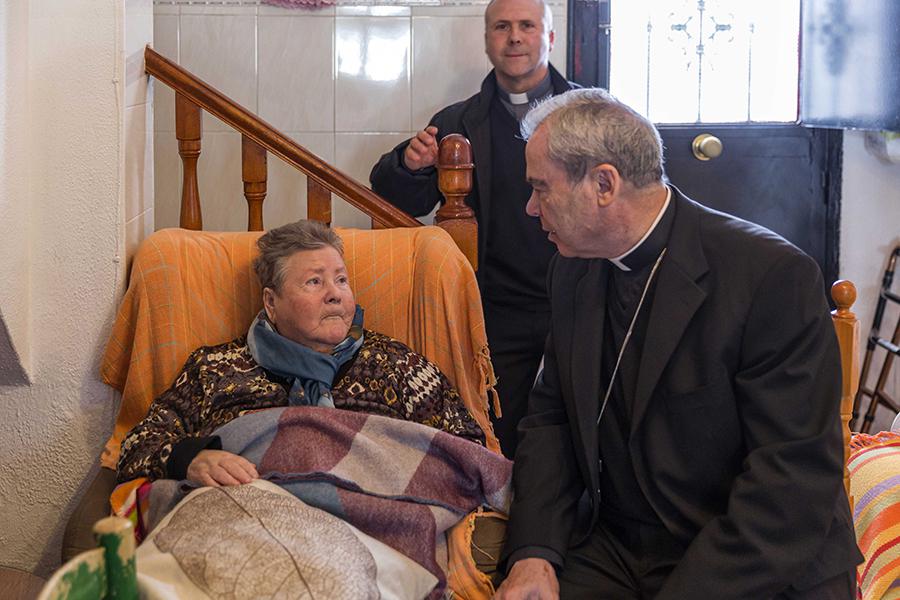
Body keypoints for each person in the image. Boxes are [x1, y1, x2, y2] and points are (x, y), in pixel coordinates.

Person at [495, 89, 863, 599]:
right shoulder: (573, 269)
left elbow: (790, 483)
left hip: (750, 557)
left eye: (541, 188)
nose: (531, 207)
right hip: (621, 549)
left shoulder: (772, 276)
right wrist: (533, 552)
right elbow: (552, 418)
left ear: (603, 184)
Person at [117, 219, 485, 486]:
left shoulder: (397, 365)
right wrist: (191, 459)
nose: (335, 294)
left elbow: (468, 447)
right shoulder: (214, 369)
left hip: (371, 527)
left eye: (341, 279)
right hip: (250, 524)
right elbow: (137, 445)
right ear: (271, 302)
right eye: (314, 281)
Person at [370, 0, 578, 458]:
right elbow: (398, 198)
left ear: (550, 37)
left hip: (580, 296)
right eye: (501, 26)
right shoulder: (456, 122)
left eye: (527, 26)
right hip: (495, 309)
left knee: (580, 425)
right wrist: (409, 163)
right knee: (499, 430)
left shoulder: (588, 112)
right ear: (487, 39)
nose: (515, 37)